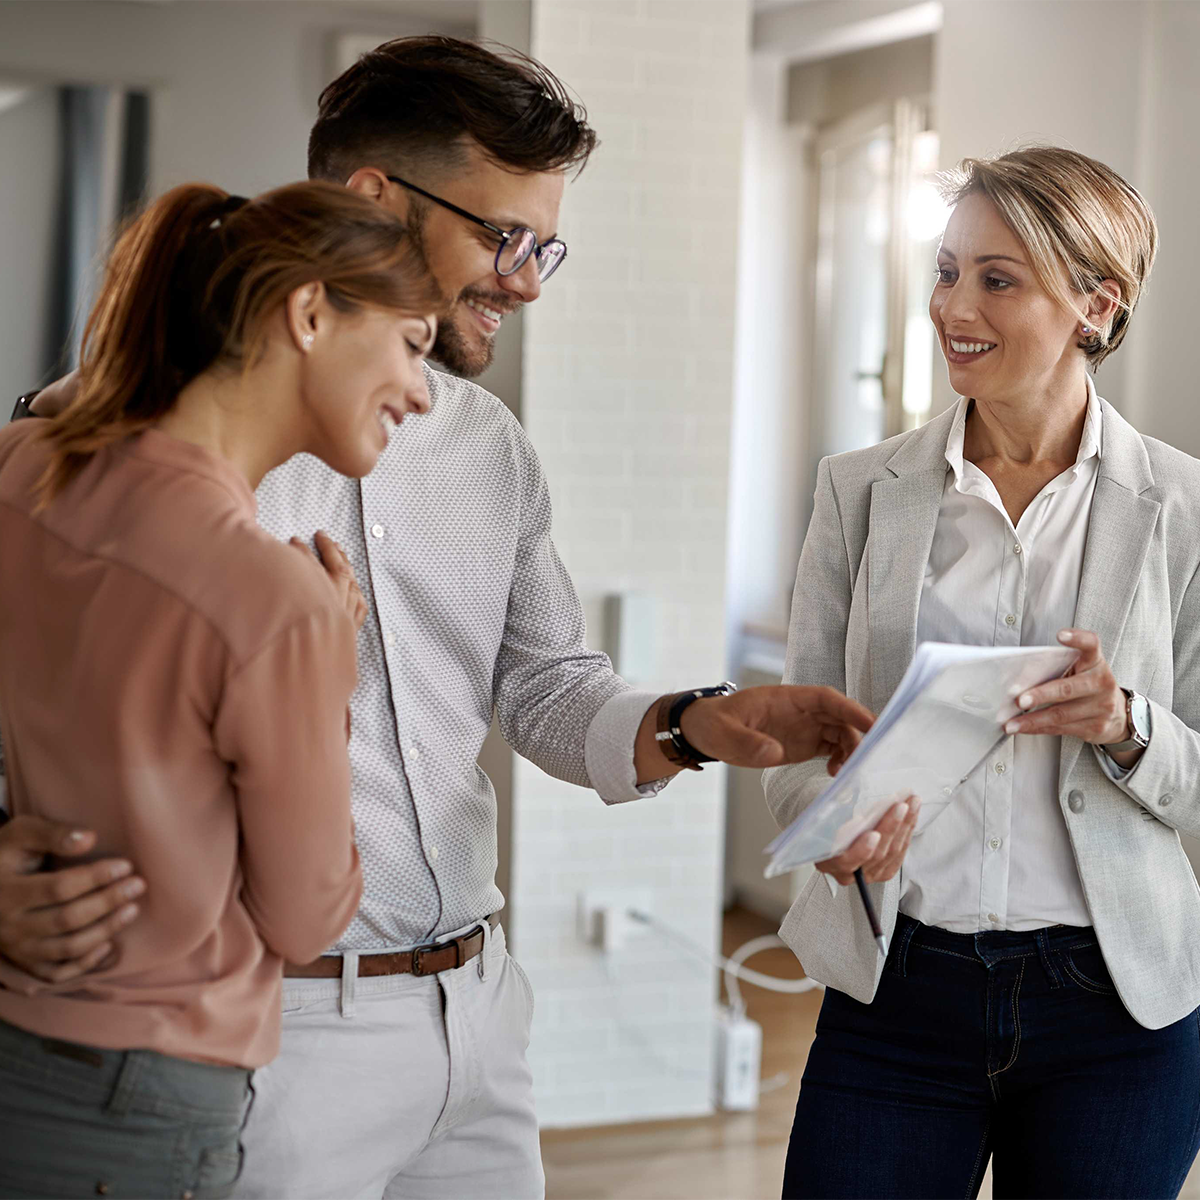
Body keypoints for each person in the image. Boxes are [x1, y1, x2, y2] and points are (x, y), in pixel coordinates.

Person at [0, 36, 877, 1200]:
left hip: (476, 1014)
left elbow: (548, 687)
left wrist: (696, 722)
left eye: (543, 248)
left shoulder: (488, 448)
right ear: (371, 201)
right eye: (502, 237)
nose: (523, 280)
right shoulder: (115, 455)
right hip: (271, 1035)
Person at [766, 146, 1200, 1199]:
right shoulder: (861, 491)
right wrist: (834, 823)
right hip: (897, 995)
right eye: (948, 269)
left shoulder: (1183, 511)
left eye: (997, 278)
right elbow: (797, 734)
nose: (953, 305)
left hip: (1114, 1009)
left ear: (1095, 307)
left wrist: (1126, 722)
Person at [0, 178, 443, 1196]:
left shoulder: (21, 468)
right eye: (414, 344)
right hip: (145, 1102)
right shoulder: (274, 600)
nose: (423, 390)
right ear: (309, 311)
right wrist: (331, 670)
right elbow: (306, 918)